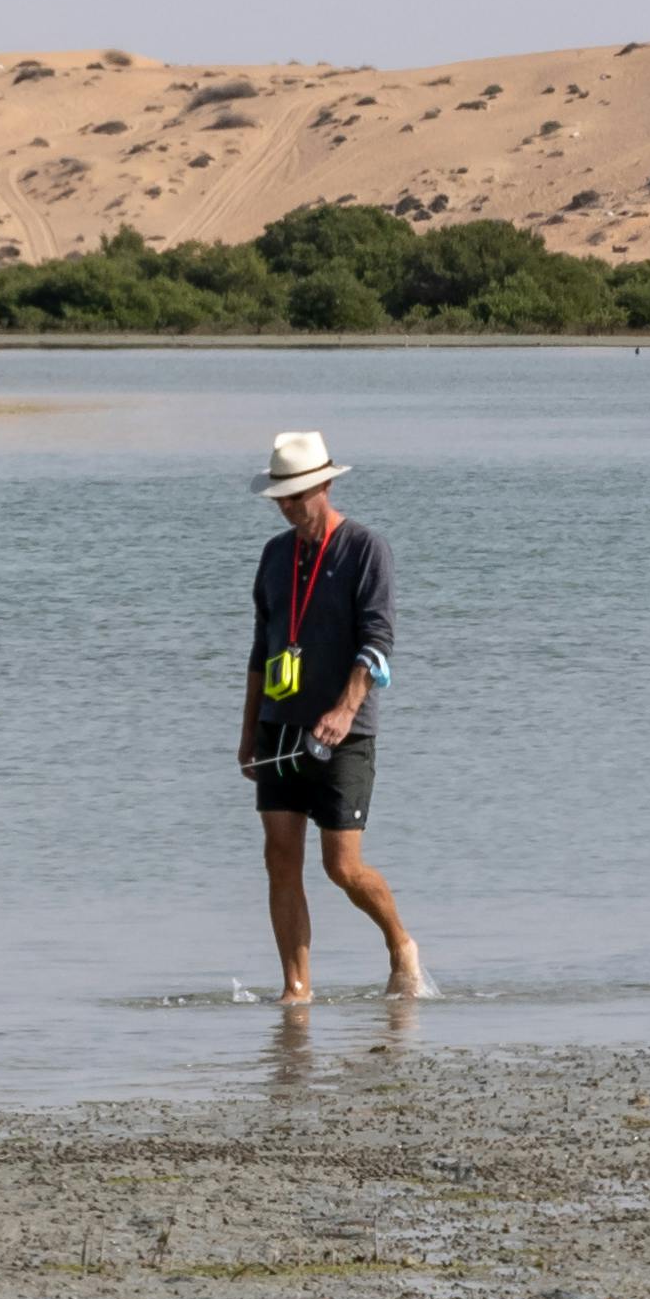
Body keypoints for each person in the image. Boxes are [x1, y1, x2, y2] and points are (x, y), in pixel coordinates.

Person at [239, 429, 428, 1005]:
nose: (288, 507)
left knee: (341, 867)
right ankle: (296, 990)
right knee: (279, 857)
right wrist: (249, 731)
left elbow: (378, 641)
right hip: (280, 727)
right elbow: (260, 649)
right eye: (281, 498)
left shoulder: (366, 549)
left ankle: (400, 945)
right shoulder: (275, 555)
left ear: (324, 484)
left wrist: (346, 708)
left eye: (297, 495)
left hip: (344, 732)